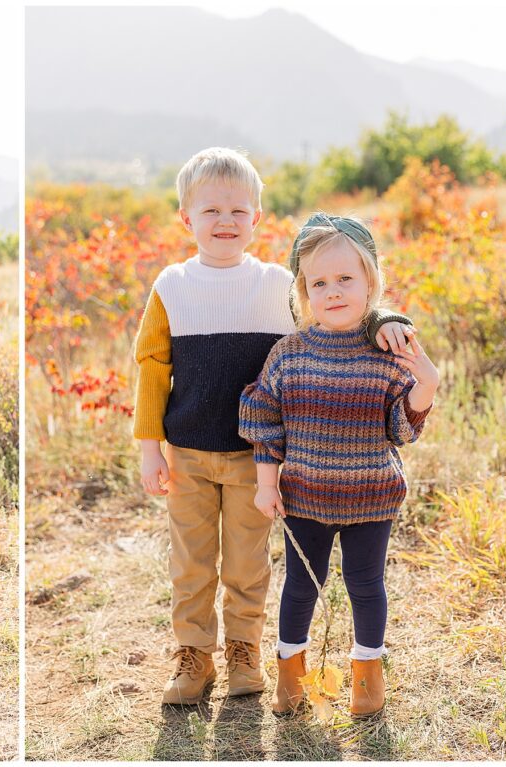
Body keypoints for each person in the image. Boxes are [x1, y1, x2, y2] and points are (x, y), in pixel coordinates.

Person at [133, 147, 414, 705]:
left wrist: (386, 319)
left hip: (253, 458)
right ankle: (193, 657)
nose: (225, 222)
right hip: (186, 451)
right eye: (211, 211)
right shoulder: (171, 284)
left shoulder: (275, 286)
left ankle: (244, 651)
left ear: (257, 218)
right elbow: (150, 369)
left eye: (239, 211)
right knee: (190, 562)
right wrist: (150, 449)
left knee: (247, 561)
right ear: (186, 218)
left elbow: (334, 306)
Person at [239, 213, 438, 717]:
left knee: (366, 584)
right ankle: (291, 677)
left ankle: (368, 677)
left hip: (372, 496)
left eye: (345, 279)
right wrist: (267, 484)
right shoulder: (290, 354)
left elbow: (401, 429)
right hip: (304, 496)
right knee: (302, 585)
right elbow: (266, 421)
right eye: (318, 282)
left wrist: (426, 387)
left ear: (370, 281)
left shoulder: (387, 354)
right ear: (304, 290)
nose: (332, 291)